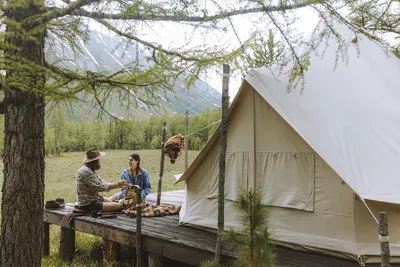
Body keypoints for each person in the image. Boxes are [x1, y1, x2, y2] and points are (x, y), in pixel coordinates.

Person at [76, 147, 128, 212]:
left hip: (94, 199)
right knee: (119, 206)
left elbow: (102, 182)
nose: (100, 161)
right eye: (99, 159)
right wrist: (118, 184)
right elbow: (100, 187)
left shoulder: (90, 170)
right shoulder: (86, 172)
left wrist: (119, 185)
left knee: (111, 201)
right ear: (95, 161)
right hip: (88, 204)